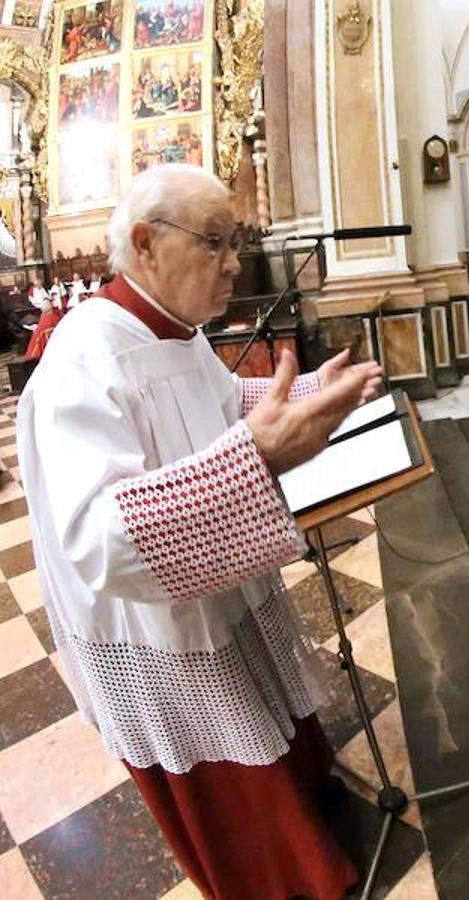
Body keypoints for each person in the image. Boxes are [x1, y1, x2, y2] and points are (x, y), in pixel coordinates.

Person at [15, 164, 384, 900]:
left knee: (276, 724)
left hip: (214, 593)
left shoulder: (172, 330)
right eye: (214, 242)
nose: (233, 262)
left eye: (235, 241)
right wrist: (259, 453)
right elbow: (95, 536)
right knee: (245, 805)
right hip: (159, 628)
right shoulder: (82, 358)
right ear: (146, 245)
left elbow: (218, 404)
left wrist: (312, 395)